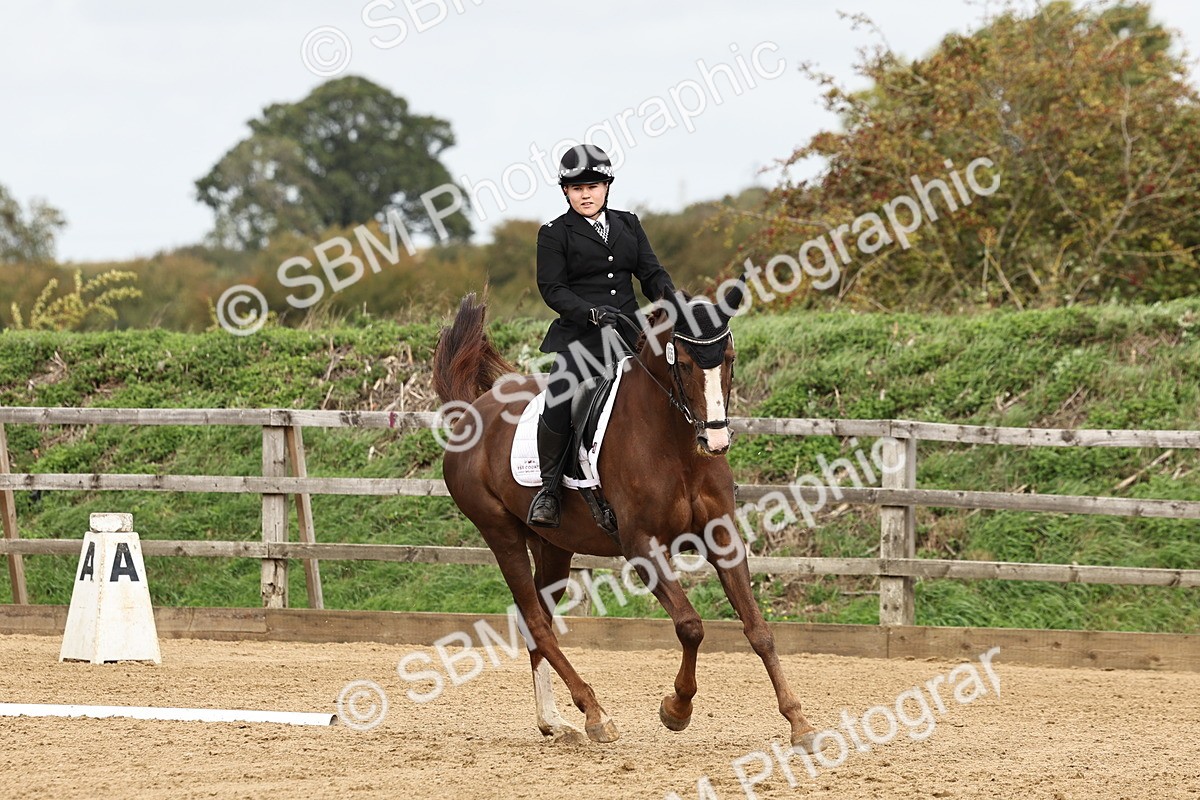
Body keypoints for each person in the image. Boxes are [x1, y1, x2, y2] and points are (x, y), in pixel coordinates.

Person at [526, 144, 677, 528]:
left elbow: (650, 273)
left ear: (607, 186)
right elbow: (553, 289)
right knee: (559, 398)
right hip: (580, 339)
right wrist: (589, 312)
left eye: (593, 185)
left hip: (630, 334)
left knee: (680, 381)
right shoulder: (554, 233)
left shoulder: (629, 224)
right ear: (566, 192)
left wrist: (672, 298)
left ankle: (698, 470)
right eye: (577, 188)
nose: (586, 194)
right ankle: (549, 491)